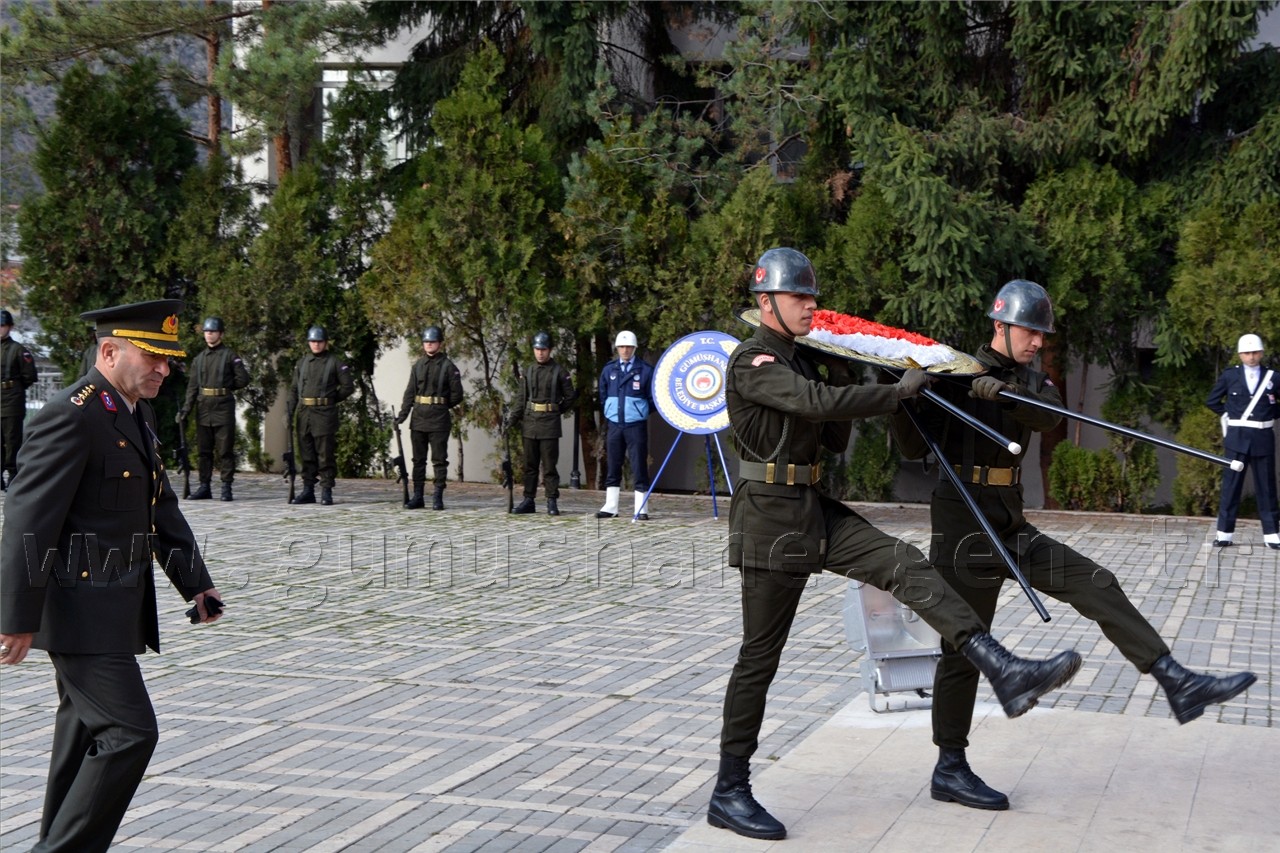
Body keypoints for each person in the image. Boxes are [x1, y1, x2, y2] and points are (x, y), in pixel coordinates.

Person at [710, 250, 1083, 841]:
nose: (812, 305)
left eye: (812, 295)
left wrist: (861, 371)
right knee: (762, 656)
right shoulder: (752, 360)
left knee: (904, 563)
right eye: (799, 297)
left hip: (815, 509)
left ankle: (1001, 665)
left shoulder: (806, 359)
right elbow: (812, 407)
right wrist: (894, 393)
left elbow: (831, 438)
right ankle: (729, 790)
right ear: (766, 304)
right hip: (768, 524)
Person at [889, 279, 1258, 812]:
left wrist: (1008, 393)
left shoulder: (1035, 382)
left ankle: (1175, 679)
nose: (1037, 341)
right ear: (1000, 325)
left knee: (1096, 583)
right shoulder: (952, 374)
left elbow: (1050, 417)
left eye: (1042, 333)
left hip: (1009, 519)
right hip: (961, 520)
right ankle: (950, 766)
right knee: (964, 650)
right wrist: (906, 397)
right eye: (1029, 331)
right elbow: (909, 445)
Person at [0, 299, 224, 853]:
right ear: (109, 351)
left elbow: (159, 506)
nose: (163, 369)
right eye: (153, 357)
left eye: (169, 361)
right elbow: (28, 522)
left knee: (80, 741)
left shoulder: (131, 413)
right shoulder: (70, 416)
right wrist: (14, 617)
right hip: (77, 610)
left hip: (112, 608)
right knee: (130, 735)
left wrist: (195, 582)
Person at [1205, 333, 1278, 549]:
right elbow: (1212, 401)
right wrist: (1232, 414)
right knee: (1231, 487)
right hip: (1237, 438)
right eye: (1247, 353)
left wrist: (1270, 412)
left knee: (1267, 487)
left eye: (1255, 352)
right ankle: (1224, 533)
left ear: (1262, 353)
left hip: (1263, 437)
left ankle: (1272, 534)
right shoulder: (1230, 376)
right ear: (1240, 355)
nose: (1252, 357)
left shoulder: (1273, 377)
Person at [177, 316, 251, 501]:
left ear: (221, 334)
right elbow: (192, 387)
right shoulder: (199, 359)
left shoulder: (229, 355)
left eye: (213, 331)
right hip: (203, 408)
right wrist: (186, 410)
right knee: (204, 451)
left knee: (225, 450)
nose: (209, 334)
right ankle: (204, 486)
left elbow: (243, 378)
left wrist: (226, 387)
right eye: (207, 332)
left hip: (223, 407)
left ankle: (226, 486)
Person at [396, 325, 464, 510]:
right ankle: (418, 495)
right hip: (418, 417)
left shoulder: (449, 367)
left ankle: (437, 496)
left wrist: (441, 405)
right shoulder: (417, 365)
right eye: (426, 342)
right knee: (418, 460)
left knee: (439, 459)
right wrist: (402, 416)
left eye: (432, 342)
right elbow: (410, 393)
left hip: (438, 419)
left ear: (440, 344)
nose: (429, 345)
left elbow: (457, 394)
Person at [508, 331, 576, 516]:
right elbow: (521, 398)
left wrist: (555, 410)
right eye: (537, 349)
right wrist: (512, 419)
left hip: (549, 424)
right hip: (530, 422)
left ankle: (551, 500)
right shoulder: (528, 371)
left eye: (543, 349)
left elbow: (570, 397)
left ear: (550, 350)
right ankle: (528, 499)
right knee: (530, 465)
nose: (540, 353)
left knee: (549, 466)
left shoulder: (559, 371)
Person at [287, 325, 355, 506]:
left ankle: (326, 490)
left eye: (319, 341)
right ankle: (308, 489)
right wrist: (289, 412)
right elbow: (294, 389)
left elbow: (348, 386)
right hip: (304, 412)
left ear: (325, 343)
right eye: (313, 341)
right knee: (306, 453)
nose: (316, 345)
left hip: (324, 414)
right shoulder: (302, 363)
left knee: (325, 454)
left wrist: (331, 399)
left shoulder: (335, 362)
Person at [596, 330, 655, 520]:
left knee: (639, 465)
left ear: (634, 348)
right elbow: (603, 393)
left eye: (629, 347)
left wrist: (640, 411)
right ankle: (611, 506)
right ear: (617, 348)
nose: (625, 350)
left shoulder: (645, 370)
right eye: (622, 347)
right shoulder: (609, 369)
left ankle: (641, 508)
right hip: (614, 424)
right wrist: (610, 409)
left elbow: (653, 398)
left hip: (635, 425)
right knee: (613, 464)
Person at [1, 308, 38, 488]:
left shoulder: (18, 350)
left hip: (12, 401)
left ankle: (13, 475)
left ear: (10, 327)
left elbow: (29, 376)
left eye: (2, 326)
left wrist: (14, 389)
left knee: (12, 439)